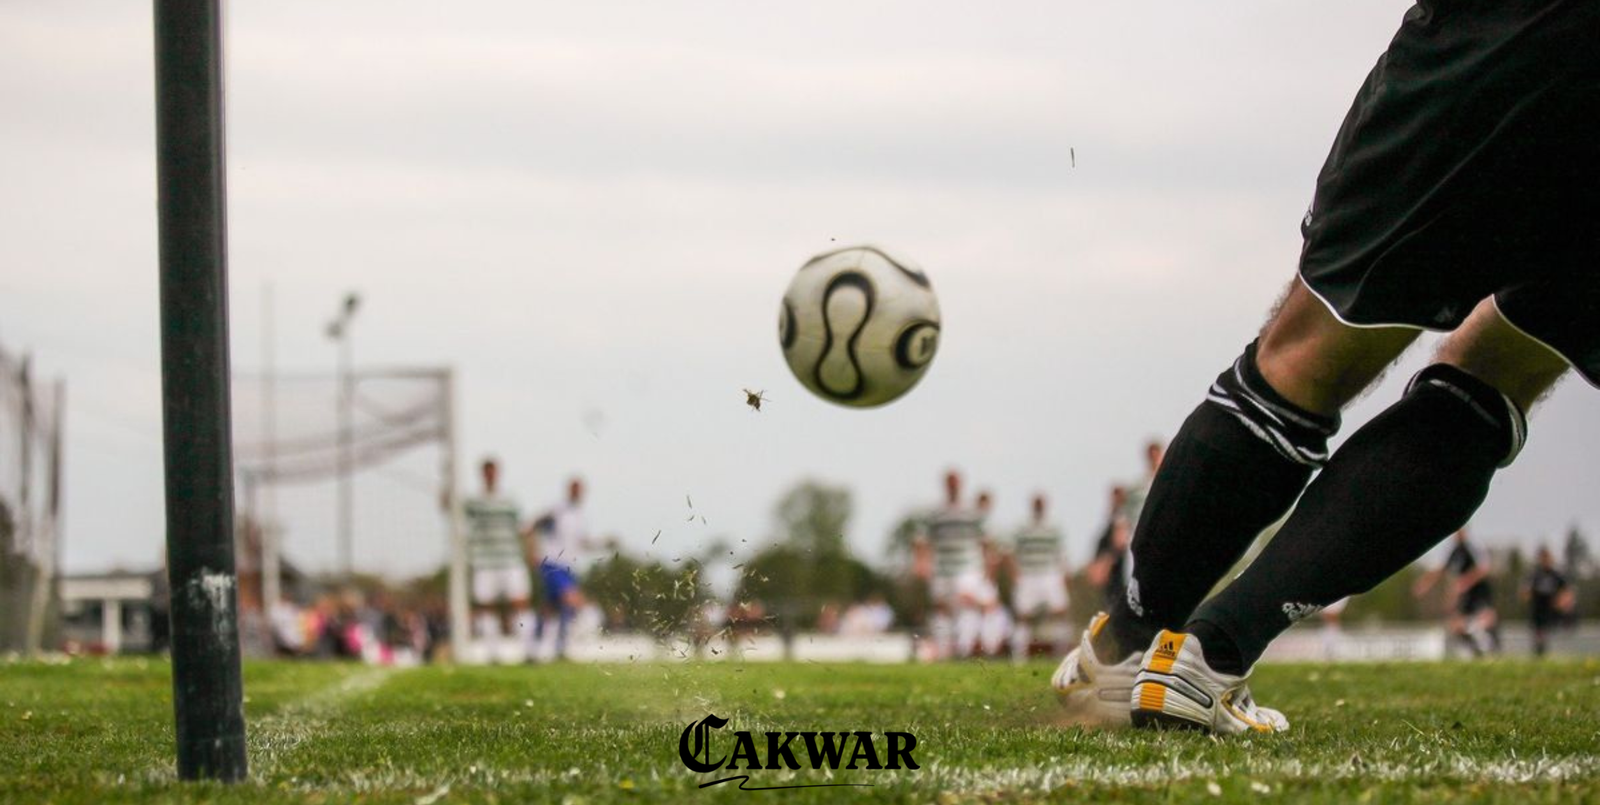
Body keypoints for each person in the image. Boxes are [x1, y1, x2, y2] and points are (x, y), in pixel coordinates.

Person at [1054, 1, 1598, 734]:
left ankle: (1128, 649)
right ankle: (1208, 657)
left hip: (1507, 24)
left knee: (1308, 351)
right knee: (1504, 369)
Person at [462, 457, 534, 662]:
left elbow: (522, 528)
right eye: (487, 472)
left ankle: (528, 651)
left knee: (520, 602)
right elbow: (453, 512)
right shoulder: (474, 502)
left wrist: (530, 551)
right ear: (482, 474)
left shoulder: (510, 500)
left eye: (493, 471)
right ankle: (492, 654)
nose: (490, 475)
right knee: (486, 606)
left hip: (511, 560)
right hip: (484, 562)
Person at [911, 470, 986, 659]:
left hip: (967, 566)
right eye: (949, 483)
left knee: (966, 603)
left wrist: (985, 566)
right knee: (941, 607)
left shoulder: (971, 511)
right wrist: (921, 562)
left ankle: (964, 649)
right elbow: (923, 540)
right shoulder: (936, 512)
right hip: (942, 567)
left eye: (955, 482)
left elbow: (983, 539)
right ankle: (944, 651)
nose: (953, 486)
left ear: (961, 484)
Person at [530, 476, 593, 661]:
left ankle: (536, 647)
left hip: (568, 565)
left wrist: (603, 543)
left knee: (550, 607)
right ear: (569, 490)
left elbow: (582, 542)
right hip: (552, 562)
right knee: (571, 599)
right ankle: (560, 647)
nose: (577, 492)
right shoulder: (558, 510)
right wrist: (532, 550)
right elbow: (533, 525)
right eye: (574, 488)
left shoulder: (580, 515)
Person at [1412, 529, 1501, 657]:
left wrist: (1465, 582)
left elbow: (1484, 568)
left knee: (1485, 620)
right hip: (1466, 595)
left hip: (1479, 591)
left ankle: (1489, 649)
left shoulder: (1473, 547)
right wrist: (1425, 583)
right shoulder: (1454, 551)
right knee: (1456, 626)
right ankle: (1477, 651)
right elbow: (1441, 569)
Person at [1009, 493, 1070, 660]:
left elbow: (1061, 554)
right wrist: (1015, 575)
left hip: (1049, 574)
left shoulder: (1053, 528)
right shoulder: (1022, 528)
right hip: (1028, 574)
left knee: (1060, 611)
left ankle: (1061, 654)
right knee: (1023, 615)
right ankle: (1019, 657)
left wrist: (1064, 575)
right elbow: (1013, 553)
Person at [1523, 546, 1574, 657]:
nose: (1545, 560)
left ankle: (1556, 653)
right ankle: (1540, 654)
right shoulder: (1535, 574)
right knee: (1539, 635)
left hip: (1553, 610)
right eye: (1543, 558)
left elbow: (1567, 592)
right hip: (1538, 609)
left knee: (1553, 634)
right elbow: (1525, 592)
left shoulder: (1556, 574)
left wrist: (1563, 603)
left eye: (1547, 558)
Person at [1085, 485, 1129, 610]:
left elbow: (1119, 542)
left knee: (1115, 605)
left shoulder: (1121, 516)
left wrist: (1105, 564)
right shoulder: (1112, 517)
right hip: (1113, 571)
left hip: (1117, 570)